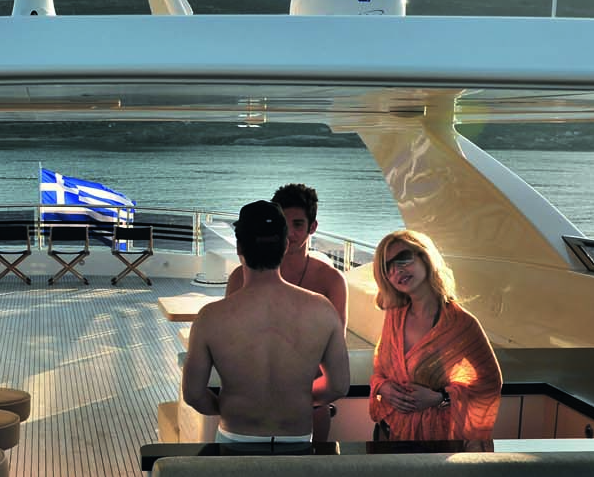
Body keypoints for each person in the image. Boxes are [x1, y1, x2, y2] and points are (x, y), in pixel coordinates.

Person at [184, 199, 350, 446]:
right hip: (297, 437)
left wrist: (225, 407)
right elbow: (338, 386)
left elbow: (193, 394)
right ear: (285, 245)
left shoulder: (210, 317)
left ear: (239, 246)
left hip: (235, 434)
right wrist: (302, 399)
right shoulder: (322, 310)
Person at [225, 184, 348, 439]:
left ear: (313, 227)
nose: (290, 233)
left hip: (310, 403)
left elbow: (335, 349)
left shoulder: (331, 280)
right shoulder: (240, 277)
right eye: (285, 224)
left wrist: (303, 398)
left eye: (298, 224)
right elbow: (232, 344)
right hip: (252, 404)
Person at [368, 229, 502, 445]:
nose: (397, 270)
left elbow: (488, 382)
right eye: (387, 267)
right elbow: (381, 370)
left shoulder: (460, 324)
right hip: (389, 433)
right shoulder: (394, 317)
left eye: (403, 258)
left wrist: (440, 398)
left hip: (436, 441)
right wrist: (383, 387)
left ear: (425, 257)